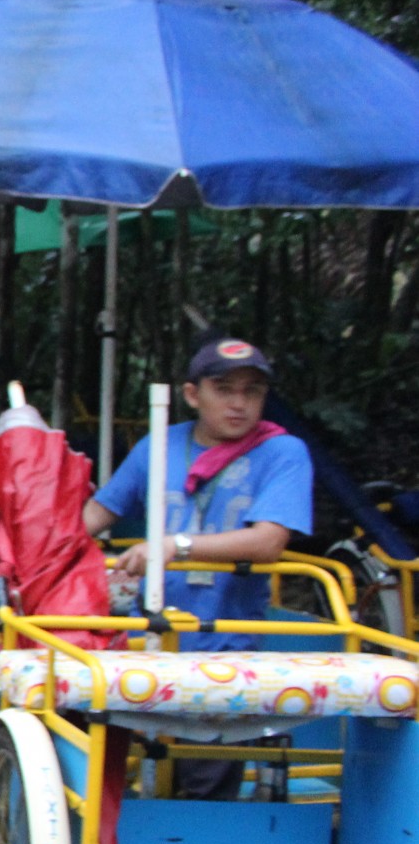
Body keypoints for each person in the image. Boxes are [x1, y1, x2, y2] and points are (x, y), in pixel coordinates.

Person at [82, 337, 312, 801]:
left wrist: (175, 546)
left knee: (205, 783)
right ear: (192, 394)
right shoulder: (159, 445)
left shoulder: (282, 453)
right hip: (143, 635)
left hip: (224, 643)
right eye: (224, 389)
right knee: (96, 757)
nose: (238, 403)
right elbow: (92, 518)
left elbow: (269, 541)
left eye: (252, 391)